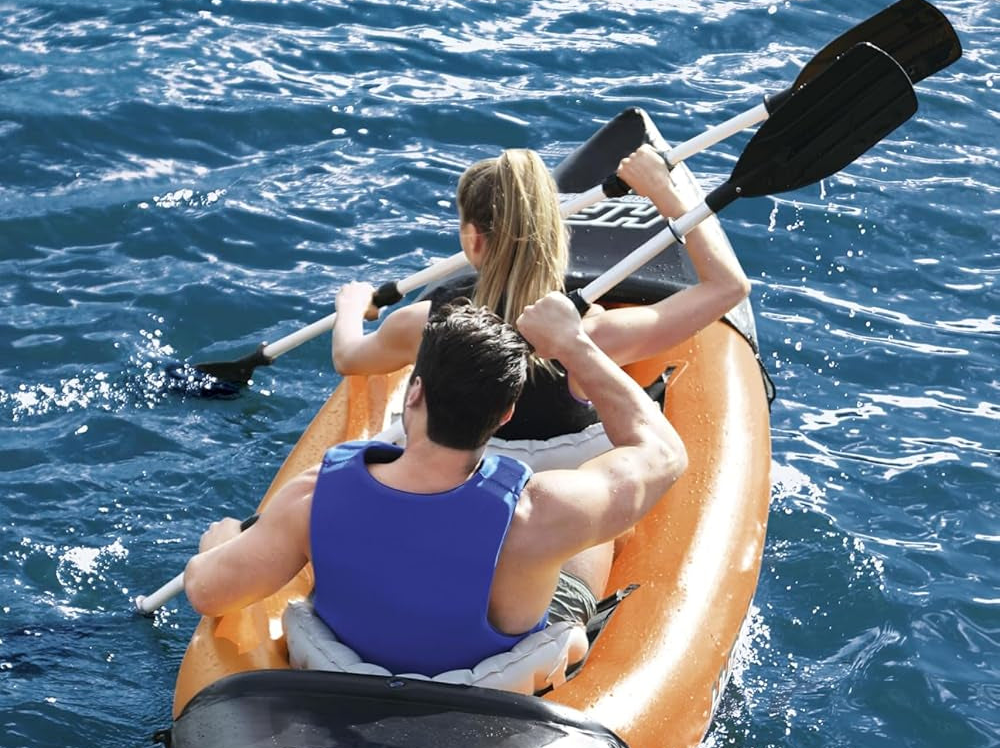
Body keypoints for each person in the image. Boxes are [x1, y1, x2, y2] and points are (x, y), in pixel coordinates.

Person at [184, 292, 687, 679]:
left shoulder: (313, 498)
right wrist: (574, 345)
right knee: (596, 532)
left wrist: (222, 541)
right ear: (506, 414)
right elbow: (665, 455)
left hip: (346, 671)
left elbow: (207, 593)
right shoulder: (545, 511)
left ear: (414, 392)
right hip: (495, 687)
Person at [331, 144, 749, 454]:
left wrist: (352, 306)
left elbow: (349, 357)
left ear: (473, 240)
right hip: (557, 485)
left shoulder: (421, 325)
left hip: (455, 473)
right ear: (557, 234)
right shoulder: (593, 336)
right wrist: (667, 194)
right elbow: (727, 287)